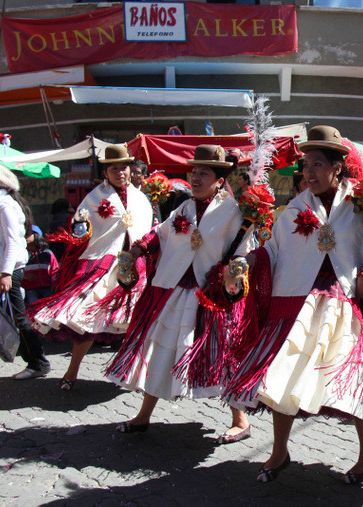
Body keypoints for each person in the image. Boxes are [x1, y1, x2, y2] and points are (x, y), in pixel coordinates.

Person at [222, 126, 363, 483]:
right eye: (306, 165)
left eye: (317, 164)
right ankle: (279, 452)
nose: (309, 172)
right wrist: (248, 262)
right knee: (285, 373)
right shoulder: (297, 206)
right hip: (300, 302)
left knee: (357, 378)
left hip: (350, 302)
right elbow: (273, 249)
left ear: (337, 168)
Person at [106, 145, 254, 440]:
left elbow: (244, 250)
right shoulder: (184, 208)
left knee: (222, 355)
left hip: (211, 296)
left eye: (204, 173)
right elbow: (160, 234)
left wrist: (234, 269)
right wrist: (137, 249)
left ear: (220, 180)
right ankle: (143, 415)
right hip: (176, 289)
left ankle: (241, 420)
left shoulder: (233, 213)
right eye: (194, 172)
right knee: (161, 349)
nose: (196, 178)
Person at [29, 145, 154, 390]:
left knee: (138, 323)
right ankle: (72, 371)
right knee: (87, 319)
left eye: (124, 168)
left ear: (131, 170)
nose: (120, 172)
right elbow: (82, 228)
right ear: (105, 172)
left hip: (135, 268)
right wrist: (81, 230)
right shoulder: (95, 197)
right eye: (114, 168)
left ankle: (134, 373)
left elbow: (146, 230)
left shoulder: (140, 198)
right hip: (102, 263)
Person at [0, 163, 51, 379]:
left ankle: (38, 363)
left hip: (7, 271)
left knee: (18, 317)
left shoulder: (5, 205)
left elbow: (14, 242)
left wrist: (6, 273)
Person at [22, 226, 59, 305]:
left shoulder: (47, 253)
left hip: (48, 288)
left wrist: (54, 284)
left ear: (36, 235)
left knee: (51, 304)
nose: (25, 237)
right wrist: (24, 276)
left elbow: (55, 270)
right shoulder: (23, 255)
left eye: (28, 234)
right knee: (33, 303)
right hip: (30, 289)